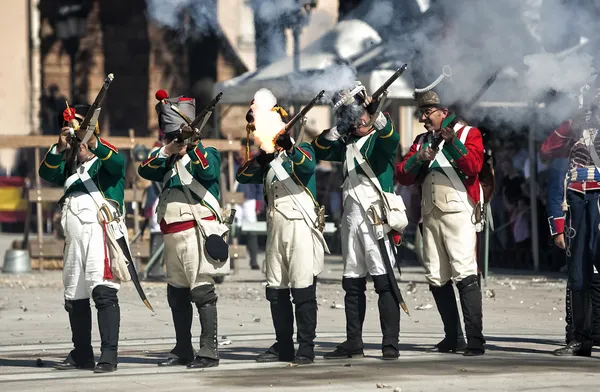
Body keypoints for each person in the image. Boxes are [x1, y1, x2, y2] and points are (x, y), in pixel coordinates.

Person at [313, 81, 404, 360]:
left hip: (376, 218)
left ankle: (390, 343)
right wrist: (339, 129)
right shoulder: (346, 144)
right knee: (352, 283)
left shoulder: (379, 140)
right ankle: (354, 342)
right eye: (354, 117)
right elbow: (319, 149)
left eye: (360, 116)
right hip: (351, 219)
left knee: (383, 281)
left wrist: (375, 113)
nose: (359, 120)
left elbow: (391, 137)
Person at [138, 90, 228, 368]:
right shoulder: (166, 157)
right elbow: (145, 169)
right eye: (169, 136)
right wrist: (169, 149)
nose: (171, 139)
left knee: (201, 291)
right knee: (176, 294)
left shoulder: (207, 152)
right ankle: (182, 348)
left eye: (174, 135)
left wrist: (194, 143)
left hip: (196, 232)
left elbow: (209, 171)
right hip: (172, 234)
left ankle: (209, 351)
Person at [395, 89, 485, 356]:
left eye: (427, 113)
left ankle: (476, 340)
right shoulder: (423, 140)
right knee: (436, 276)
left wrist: (453, 142)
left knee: (464, 271)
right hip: (429, 212)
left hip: (459, 212)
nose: (423, 118)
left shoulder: (469, 134)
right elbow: (403, 176)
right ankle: (452, 337)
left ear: (444, 113)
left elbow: (473, 166)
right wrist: (418, 158)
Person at [236, 100, 326, 365]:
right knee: (276, 289)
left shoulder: (302, 150)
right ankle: (284, 344)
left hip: (300, 227)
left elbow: (307, 166)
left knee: (303, 289)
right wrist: (263, 157)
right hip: (276, 229)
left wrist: (289, 146)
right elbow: (243, 176)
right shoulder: (267, 161)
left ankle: (306, 347)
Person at [40, 103, 125, 373]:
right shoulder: (69, 165)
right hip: (74, 236)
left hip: (99, 233)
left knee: (103, 292)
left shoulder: (105, 162)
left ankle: (109, 356)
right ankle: (82, 353)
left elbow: (118, 163)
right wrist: (59, 145)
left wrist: (93, 144)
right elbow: (46, 173)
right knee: (74, 297)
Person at [541, 88, 600, 355]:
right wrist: (572, 121)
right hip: (577, 203)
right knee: (578, 273)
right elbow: (548, 149)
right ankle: (580, 339)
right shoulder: (570, 134)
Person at [233, 138, 262, 270]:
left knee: (251, 230)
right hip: (234, 199)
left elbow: (258, 183)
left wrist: (258, 202)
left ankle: (254, 260)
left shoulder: (253, 163)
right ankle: (232, 260)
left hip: (249, 199)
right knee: (234, 229)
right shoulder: (230, 162)